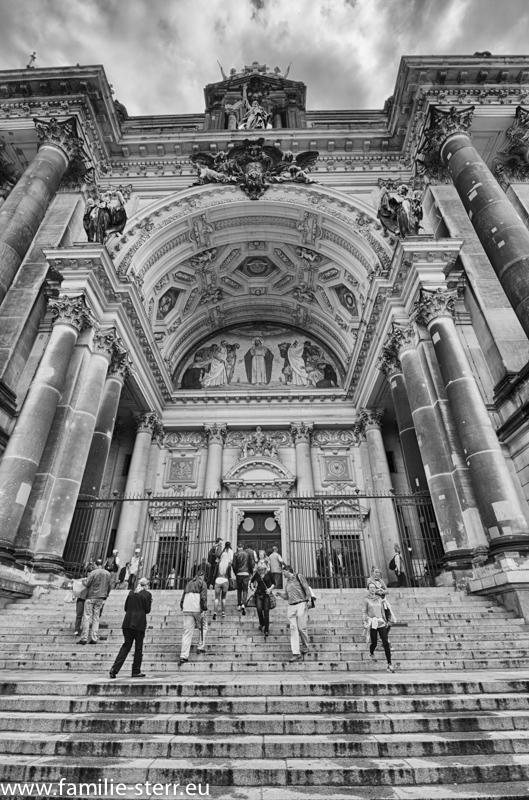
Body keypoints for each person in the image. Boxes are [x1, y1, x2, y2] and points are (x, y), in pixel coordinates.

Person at [109, 577, 152, 678]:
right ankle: (136, 670)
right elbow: (147, 610)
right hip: (139, 624)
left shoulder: (131, 593)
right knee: (138, 648)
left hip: (127, 622)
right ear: (146, 585)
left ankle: (114, 669)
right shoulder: (147, 594)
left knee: (126, 646)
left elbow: (125, 607)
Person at [276, 565, 313, 662]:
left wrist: (308, 600)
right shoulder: (287, 583)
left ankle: (305, 646)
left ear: (287, 570)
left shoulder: (298, 576)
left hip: (301, 603)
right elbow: (287, 597)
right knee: (293, 630)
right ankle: (296, 653)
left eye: (283, 572)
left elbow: (306, 588)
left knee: (301, 628)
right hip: (291, 606)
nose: (283, 574)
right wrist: (280, 594)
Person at [363, 581, 395, 673]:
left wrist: (385, 620)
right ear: (368, 589)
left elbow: (382, 610)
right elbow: (364, 612)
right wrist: (365, 621)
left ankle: (389, 664)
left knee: (385, 641)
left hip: (380, 622)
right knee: (374, 642)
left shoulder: (379, 599)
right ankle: (371, 652)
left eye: (374, 587)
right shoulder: (366, 600)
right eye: (371, 588)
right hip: (372, 622)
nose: (372, 589)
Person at [78, 559, 111, 645]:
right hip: (101, 597)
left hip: (91, 596)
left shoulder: (93, 572)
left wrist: (82, 581)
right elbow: (109, 586)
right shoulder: (108, 573)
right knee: (96, 618)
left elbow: (88, 583)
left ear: (96, 565)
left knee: (87, 616)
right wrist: (105, 595)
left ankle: (84, 638)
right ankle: (94, 638)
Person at [179, 568, 208, 664]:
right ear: (203, 576)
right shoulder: (202, 583)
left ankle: (184, 655)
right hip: (196, 608)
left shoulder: (189, 583)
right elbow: (203, 597)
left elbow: (183, 596)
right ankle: (200, 646)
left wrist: (182, 605)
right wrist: (204, 608)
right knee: (203, 626)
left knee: (187, 632)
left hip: (187, 608)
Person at [250, 563, 275, 638]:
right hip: (259, 594)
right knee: (259, 609)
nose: (261, 571)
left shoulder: (268, 574)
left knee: (266, 611)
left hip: (267, 594)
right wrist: (252, 588)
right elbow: (251, 581)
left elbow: (274, 583)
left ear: (265, 569)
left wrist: (270, 589)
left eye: (263, 570)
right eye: (260, 570)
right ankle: (262, 623)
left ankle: (266, 630)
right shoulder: (257, 574)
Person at [213, 542, 233, 621]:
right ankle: (223, 612)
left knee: (216, 598)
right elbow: (229, 575)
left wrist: (212, 582)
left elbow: (214, 574)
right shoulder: (228, 565)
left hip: (218, 580)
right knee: (223, 598)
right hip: (225, 581)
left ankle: (215, 612)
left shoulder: (218, 564)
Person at [233, 542, 254, 615]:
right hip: (246, 573)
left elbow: (234, 564)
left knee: (239, 589)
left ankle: (239, 604)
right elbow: (250, 564)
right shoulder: (247, 554)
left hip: (239, 573)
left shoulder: (235, 554)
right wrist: (251, 572)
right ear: (243, 546)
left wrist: (235, 572)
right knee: (245, 589)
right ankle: (243, 604)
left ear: (237, 547)